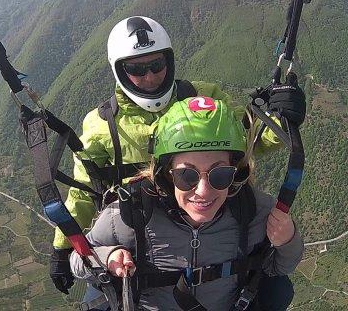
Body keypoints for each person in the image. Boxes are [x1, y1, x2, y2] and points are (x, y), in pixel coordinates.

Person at [49, 16, 306, 295]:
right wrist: (63, 249)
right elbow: (83, 192)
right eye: (136, 68)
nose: (149, 76)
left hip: (208, 220)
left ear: (169, 62)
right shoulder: (102, 126)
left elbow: (245, 142)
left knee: (275, 290)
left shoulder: (203, 98)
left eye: (157, 65)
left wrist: (284, 120)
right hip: (135, 232)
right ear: (119, 71)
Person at [70, 97, 304, 310]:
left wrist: (287, 241)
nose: (203, 191)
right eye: (187, 176)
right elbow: (78, 261)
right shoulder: (131, 213)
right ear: (166, 174)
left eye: (219, 175)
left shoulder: (253, 210)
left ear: (236, 173)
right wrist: (108, 256)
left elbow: (276, 269)